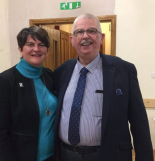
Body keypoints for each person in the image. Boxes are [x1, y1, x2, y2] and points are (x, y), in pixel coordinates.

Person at [54, 13, 154, 161]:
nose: (85, 36)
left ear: (101, 38)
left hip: (108, 155)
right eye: (79, 32)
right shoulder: (62, 71)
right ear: (72, 40)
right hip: (66, 155)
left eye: (92, 31)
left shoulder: (124, 70)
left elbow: (139, 121)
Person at [0, 26, 57, 161]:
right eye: (30, 44)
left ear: (47, 51)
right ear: (20, 49)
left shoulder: (49, 75)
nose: (36, 49)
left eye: (41, 45)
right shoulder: (4, 81)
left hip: (52, 156)